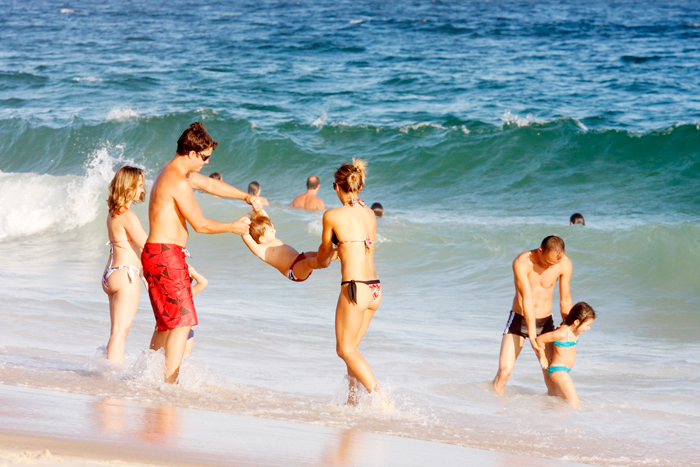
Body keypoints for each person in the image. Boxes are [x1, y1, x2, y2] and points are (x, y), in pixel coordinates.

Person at [142, 121, 261, 383]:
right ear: (192, 153)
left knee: (166, 324)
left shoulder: (174, 173)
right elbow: (201, 225)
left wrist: (246, 197)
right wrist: (233, 227)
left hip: (159, 253)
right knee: (182, 323)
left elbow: (210, 185)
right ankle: (168, 384)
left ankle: (148, 378)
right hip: (166, 255)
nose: (207, 162)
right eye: (205, 157)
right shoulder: (177, 181)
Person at [316, 159, 388, 409]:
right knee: (353, 348)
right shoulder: (369, 213)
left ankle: (381, 399)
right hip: (374, 288)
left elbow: (323, 257)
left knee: (345, 350)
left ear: (337, 187)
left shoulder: (332, 215)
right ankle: (352, 400)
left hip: (354, 288)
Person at [492, 235, 573, 396]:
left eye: (554, 264)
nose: (550, 267)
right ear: (540, 251)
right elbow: (526, 299)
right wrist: (531, 333)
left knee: (551, 377)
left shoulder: (564, 264)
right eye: (548, 262)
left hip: (545, 323)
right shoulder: (522, 262)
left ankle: (554, 416)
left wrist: (569, 328)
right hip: (519, 319)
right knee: (504, 372)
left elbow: (565, 300)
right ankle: (494, 411)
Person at [102, 166, 149, 364]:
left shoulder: (113, 214)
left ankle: (107, 368)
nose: (142, 190)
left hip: (111, 273)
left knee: (117, 332)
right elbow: (147, 246)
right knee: (120, 333)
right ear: (129, 187)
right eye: (139, 185)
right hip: (126, 275)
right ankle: (110, 375)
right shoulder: (128, 216)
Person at [241, 212, 337, 281]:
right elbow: (248, 240)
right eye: (271, 231)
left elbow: (265, 217)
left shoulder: (272, 239)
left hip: (299, 257)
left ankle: (338, 253)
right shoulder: (261, 250)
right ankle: (321, 263)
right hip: (293, 271)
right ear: (262, 239)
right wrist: (243, 228)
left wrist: (258, 210)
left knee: (317, 254)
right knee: (308, 262)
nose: (274, 231)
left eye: (273, 228)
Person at [536, 302, 596, 408]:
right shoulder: (562, 333)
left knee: (560, 402)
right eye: (587, 325)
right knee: (574, 403)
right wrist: (543, 358)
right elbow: (540, 339)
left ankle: (553, 420)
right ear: (577, 322)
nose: (588, 328)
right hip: (558, 370)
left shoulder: (575, 331)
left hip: (564, 370)